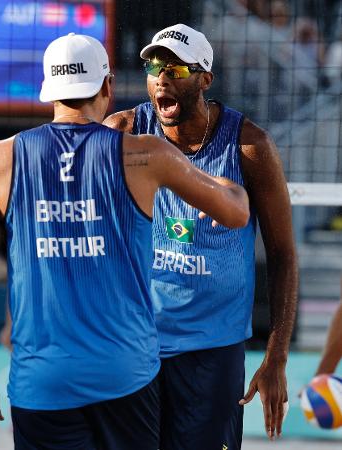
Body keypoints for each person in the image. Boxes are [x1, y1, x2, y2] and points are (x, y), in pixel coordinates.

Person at [0, 32, 249, 450]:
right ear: (108, 86)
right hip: (124, 375)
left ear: (48, 89)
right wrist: (224, 183)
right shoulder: (144, 154)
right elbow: (235, 211)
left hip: (42, 381)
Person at [104, 23, 298, 450]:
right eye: (155, 66)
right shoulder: (122, 133)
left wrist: (277, 355)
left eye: (176, 67)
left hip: (214, 351)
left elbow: (283, 254)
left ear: (205, 79)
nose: (163, 77)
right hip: (138, 344)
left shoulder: (249, 146)